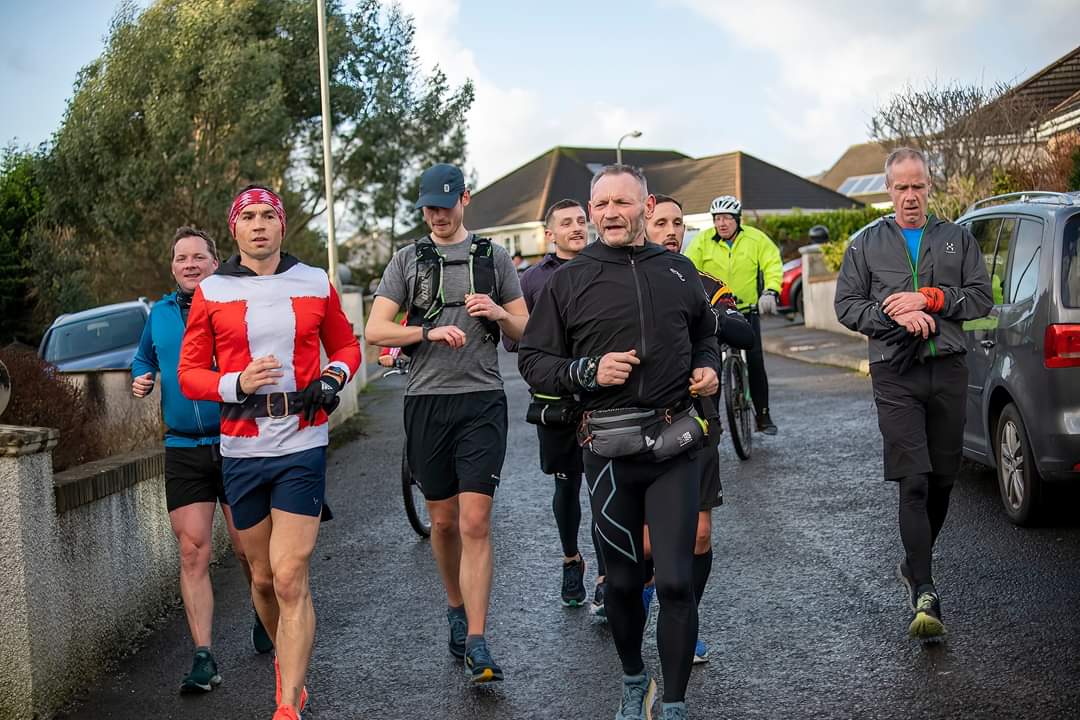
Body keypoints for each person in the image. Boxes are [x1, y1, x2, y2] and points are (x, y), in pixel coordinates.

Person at [520, 165, 720, 720]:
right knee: (625, 585)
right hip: (606, 451)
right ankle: (636, 679)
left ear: (644, 204)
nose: (610, 213)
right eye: (600, 204)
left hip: (675, 441)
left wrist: (707, 368)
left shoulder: (678, 270)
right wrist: (588, 371)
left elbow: (705, 333)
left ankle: (675, 703)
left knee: (677, 582)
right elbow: (533, 361)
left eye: (622, 203)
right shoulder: (569, 279)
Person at [178, 185, 361, 720]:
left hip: (302, 440)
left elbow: (347, 345)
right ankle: (288, 657)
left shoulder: (313, 282)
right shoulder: (211, 291)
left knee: (289, 573)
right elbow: (190, 374)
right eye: (248, 217)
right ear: (234, 230)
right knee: (260, 578)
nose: (259, 225)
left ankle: (287, 704)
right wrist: (236, 381)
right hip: (240, 447)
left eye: (268, 216)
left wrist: (333, 377)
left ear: (282, 227)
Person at [365, 163, 527, 684]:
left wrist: (498, 315)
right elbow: (375, 329)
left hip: (482, 400)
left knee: (476, 521)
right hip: (427, 402)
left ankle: (478, 641)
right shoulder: (408, 260)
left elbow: (526, 330)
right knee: (443, 522)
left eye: (444, 204)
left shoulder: (494, 258)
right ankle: (455, 608)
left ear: (465, 199)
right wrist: (426, 331)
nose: (436, 215)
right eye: (428, 207)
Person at [834, 147, 992, 642]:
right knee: (915, 481)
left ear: (929, 187)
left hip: (947, 369)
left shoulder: (957, 238)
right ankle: (924, 589)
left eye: (917, 186)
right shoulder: (865, 244)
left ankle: (913, 561)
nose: (909, 196)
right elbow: (846, 305)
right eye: (900, 187)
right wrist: (893, 314)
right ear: (888, 190)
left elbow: (983, 298)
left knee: (944, 480)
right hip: (894, 373)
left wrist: (931, 298)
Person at [131, 227, 272, 695]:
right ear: (172, 267)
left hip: (236, 440)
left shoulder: (235, 305)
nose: (190, 264)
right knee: (193, 550)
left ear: (216, 262)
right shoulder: (160, 315)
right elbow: (141, 357)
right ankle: (203, 658)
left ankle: (264, 609)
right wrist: (142, 376)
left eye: (199, 256)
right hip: (183, 447)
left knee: (248, 548)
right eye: (181, 258)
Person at [646, 195, 754, 665]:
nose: (670, 230)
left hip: (697, 419)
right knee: (648, 541)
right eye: (660, 222)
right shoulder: (628, 284)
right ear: (642, 225)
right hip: (641, 421)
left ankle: (685, 616)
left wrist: (710, 336)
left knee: (700, 535)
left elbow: (742, 332)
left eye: (677, 223)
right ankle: (642, 595)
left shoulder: (703, 282)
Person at [503, 198, 608, 610]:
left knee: (604, 489)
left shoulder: (606, 266)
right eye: (567, 223)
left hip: (603, 397)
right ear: (550, 234)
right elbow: (515, 341)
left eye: (582, 220)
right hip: (556, 401)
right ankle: (571, 560)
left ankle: (605, 574)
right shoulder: (531, 281)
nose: (577, 227)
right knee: (567, 486)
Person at [684, 195, 783, 434]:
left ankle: (763, 416)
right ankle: (711, 421)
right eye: (717, 218)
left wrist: (771, 290)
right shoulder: (702, 241)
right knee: (710, 365)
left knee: (756, 362)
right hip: (715, 314)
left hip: (747, 310)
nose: (722, 223)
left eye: (727, 218)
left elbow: (772, 264)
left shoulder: (755, 238)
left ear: (737, 219)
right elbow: (688, 269)